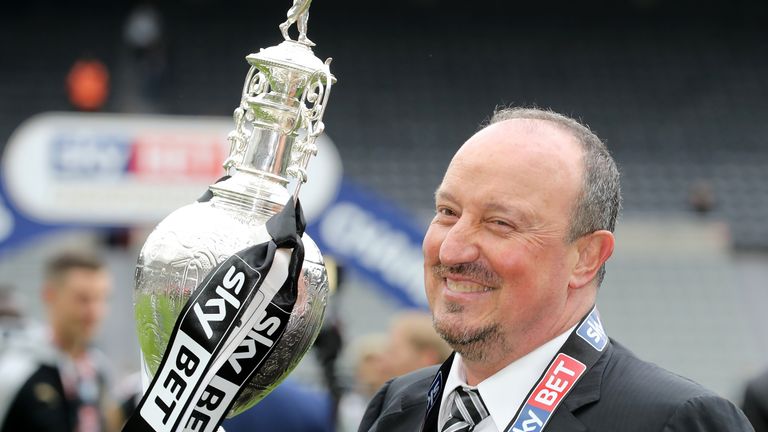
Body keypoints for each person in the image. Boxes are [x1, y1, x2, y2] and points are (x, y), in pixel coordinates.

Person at [358, 107, 753, 431]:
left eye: (500, 223)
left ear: (586, 258)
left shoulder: (676, 422)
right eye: (447, 212)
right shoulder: (395, 409)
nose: (452, 248)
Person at [0, 251, 117, 432]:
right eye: (83, 299)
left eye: (102, 298)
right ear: (49, 295)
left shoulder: (99, 369)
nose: (95, 312)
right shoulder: (17, 370)